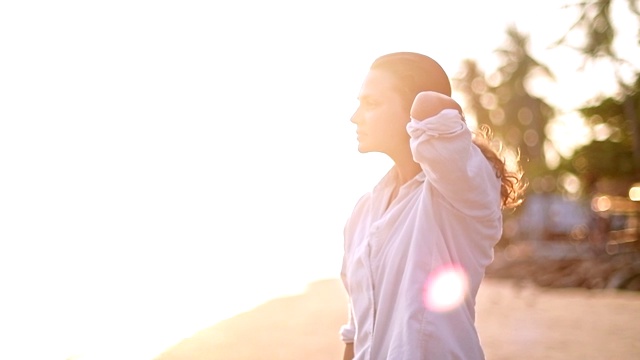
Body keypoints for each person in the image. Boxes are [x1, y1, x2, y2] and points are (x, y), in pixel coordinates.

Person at [339, 52, 526, 359]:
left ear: (413, 114)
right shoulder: (363, 211)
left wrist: (421, 111)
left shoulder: (461, 188)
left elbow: (431, 106)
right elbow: (355, 332)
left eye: (371, 104)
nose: (355, 116)